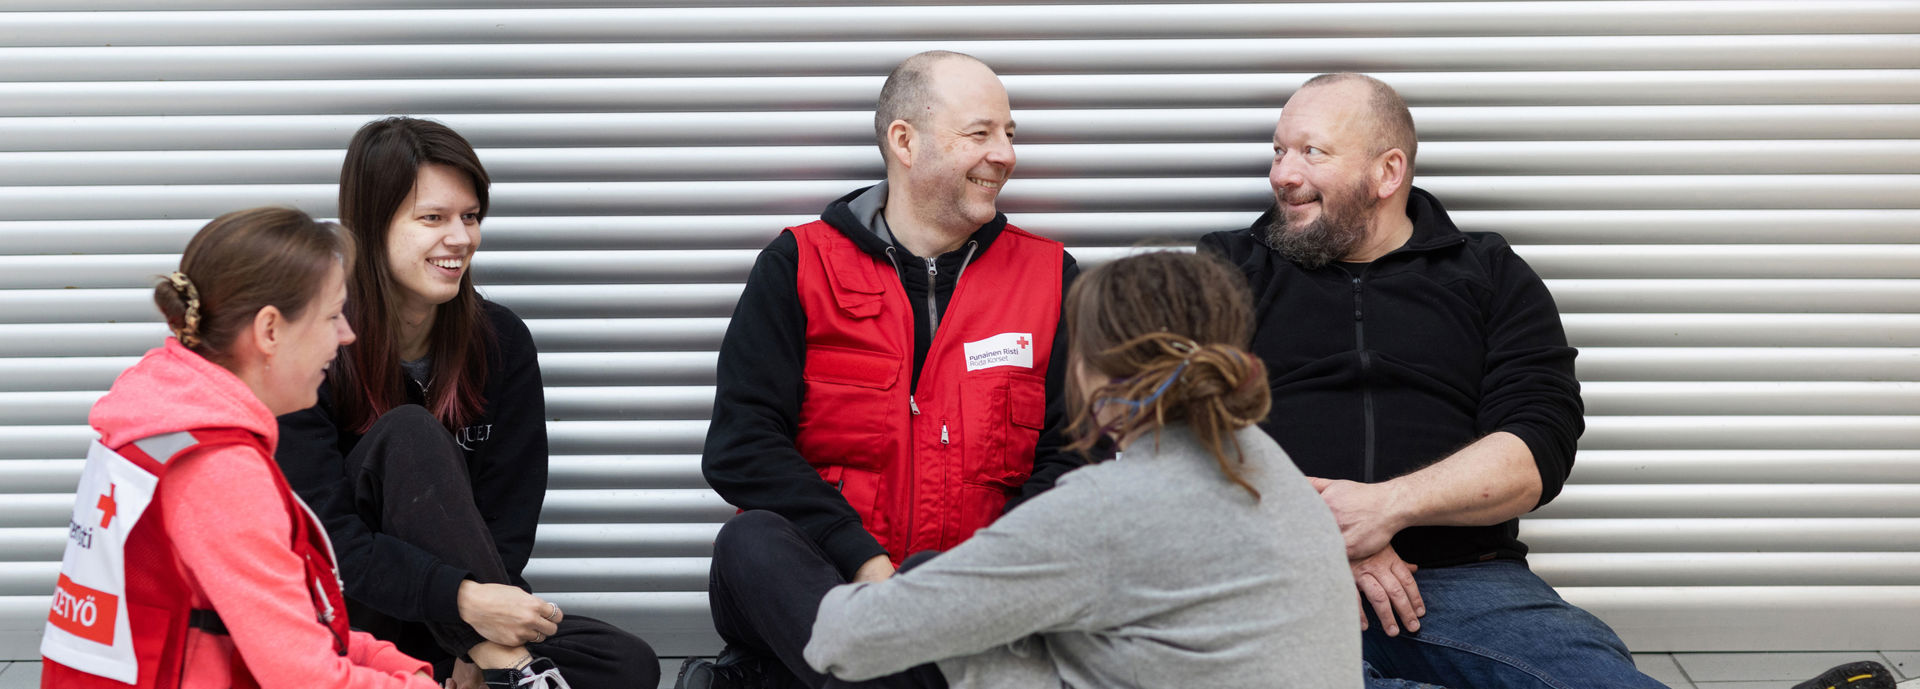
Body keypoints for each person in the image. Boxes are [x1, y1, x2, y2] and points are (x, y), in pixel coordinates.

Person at [1201, 72, 1894, 689]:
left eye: (1311, 152)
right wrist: (1324, 534)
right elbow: (1173, 429)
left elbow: (1538, 442)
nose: (1282, 175)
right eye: (1278, 151)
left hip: (1466, 582)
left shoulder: (1489, 275)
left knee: (1588, 672)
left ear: (1388, 172)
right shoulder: (1225, 269)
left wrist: (1386, 507)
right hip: (1277, 577)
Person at [683, 51, 1081, 689]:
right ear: (905, 141)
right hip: (828, 584)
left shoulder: (1052, 280)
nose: (1006, 154)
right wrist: (865, 563)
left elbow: (1076, 460)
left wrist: (978, 580)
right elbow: (741, 447)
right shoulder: (798, 265)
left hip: (977, 597)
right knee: (748, 542)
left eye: (1010, 134)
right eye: (980, 133)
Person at [799, 250, 1361, 688]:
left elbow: (840, 640)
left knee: (771, 559)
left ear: (1094, 372)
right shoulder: (1271, 467)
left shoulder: (1109, 506)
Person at [275, 117, 657, 689]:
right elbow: (329, 542)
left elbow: (508, 523)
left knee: (627, 665)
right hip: (349, 613)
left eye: (470, 217)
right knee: (408, 432)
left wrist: (471, 638)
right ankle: (511, 670)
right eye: (433, 218)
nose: (461, 238)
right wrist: (475, 623)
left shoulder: (500, 342)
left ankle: (500, 669)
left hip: (460, 618)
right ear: (373, 224)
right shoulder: (315, 348)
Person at [40, 207, 437, 689]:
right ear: (270, 330)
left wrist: (385, 660)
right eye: (333, 316)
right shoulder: (218, 472)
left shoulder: (155, 425)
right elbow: (305, 679)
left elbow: (271, 627)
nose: (346, 335)